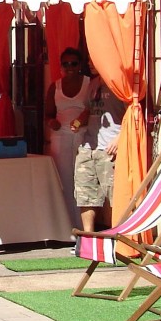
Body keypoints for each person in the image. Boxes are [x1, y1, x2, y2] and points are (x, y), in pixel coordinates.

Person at [75, 66, 125, 233]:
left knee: (112, 195)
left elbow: (133, 112)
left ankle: (115, 235)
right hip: (89, 146)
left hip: (109, 148)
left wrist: (120, 138)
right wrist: (77, 122)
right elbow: (88, 110)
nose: (89, 62)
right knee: (85, 194)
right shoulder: (93, 83)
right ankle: (89, 236)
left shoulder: (119, 83)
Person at [44, 48, 91, 223]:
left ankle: (83, 223)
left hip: (83, 134)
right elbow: (48, 113)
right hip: (60, 136)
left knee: (83, 177)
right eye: (66, 64)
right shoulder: (54, 87)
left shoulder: (89, 84)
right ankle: (66, 223)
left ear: (80, 65)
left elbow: (92, 109)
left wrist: (81, 119)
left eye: (74, 63)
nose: (70, 67)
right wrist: (52, 122)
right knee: (63, 178)